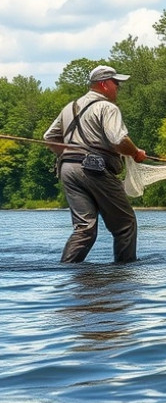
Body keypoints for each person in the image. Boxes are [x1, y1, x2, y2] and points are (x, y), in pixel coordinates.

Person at [43, 65, 147, 263]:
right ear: (104, 84)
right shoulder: (108, 108)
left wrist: (72, 153)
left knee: (84, 228)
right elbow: (118, 139)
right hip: (96, 170)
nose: (118, 88)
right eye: (116, 83)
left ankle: (66, 270)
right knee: (125, 224)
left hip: (67, 170)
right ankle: (124, 272)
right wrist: (135, 153)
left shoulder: (69, 107)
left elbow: (49, 137)